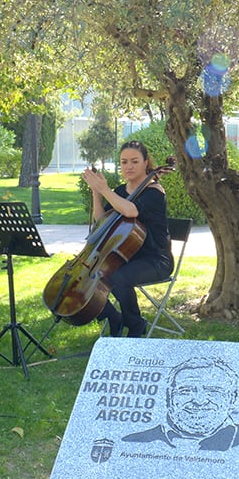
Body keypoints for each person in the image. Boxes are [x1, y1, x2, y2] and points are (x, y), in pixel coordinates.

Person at [81, 140, 173, 338]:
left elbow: (131, 211)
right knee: (93, 275)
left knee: (117, 277)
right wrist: (97, 193)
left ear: (146, 163)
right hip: (128, 256)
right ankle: (114, 317)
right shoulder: (122, 192)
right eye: (124, 162)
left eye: (134, 161)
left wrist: (106, 190)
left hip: (156, 260)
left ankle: (136, 324)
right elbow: (101, 220)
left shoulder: (155, 192)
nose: (128, 167)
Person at [122, 357, 239, 451]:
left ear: (232, 399)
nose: (199, 401)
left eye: (213, 391)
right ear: (169, 397)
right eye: (186, 391)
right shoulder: (134, 441)